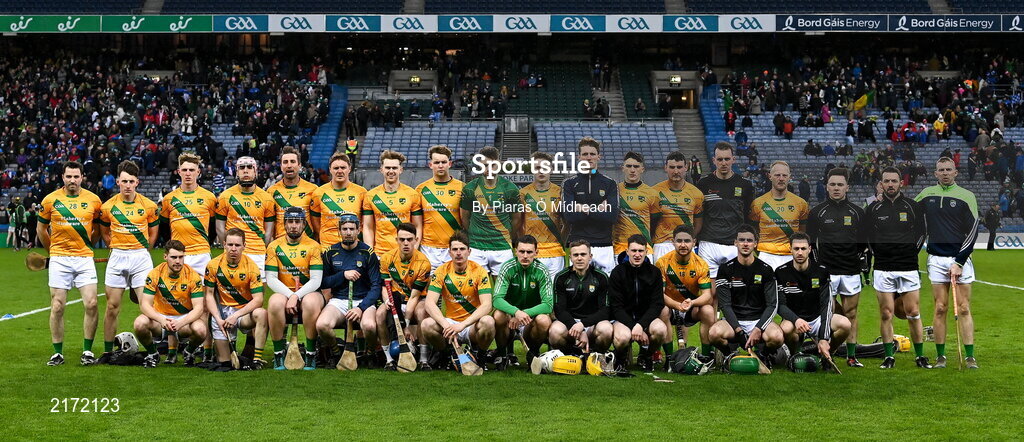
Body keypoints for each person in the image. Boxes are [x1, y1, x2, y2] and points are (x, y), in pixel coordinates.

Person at [915, 157, 980, 369]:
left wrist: (959, 262)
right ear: (935, 173)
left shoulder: (966, 196)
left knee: (964, 308)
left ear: (955, 172)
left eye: (948, 169)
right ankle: (941, 356)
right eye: (941, 170)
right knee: (940, 308)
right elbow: (907, 210)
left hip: (960, 258)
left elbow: (973, 231)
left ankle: (970, 357)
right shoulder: (927, 194)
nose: (945, 173)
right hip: (936, 259)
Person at [38, 161, 103, 366]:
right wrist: (52, 252)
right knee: (57, 305)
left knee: (92, 303)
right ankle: (57, 353)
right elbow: (41, 229)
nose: (72, 180)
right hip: (60, 258)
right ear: (62, 177)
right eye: (68, 176)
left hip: (84, 258)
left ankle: (87, 351)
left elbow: (98, 230)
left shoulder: (94, 200)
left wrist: (87, 246)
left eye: (76, 176)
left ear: (82, 177)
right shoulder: (50, 200)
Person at [98, 161, 160, 364]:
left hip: (140, 258)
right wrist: (116, 248)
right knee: (112, 306)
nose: (127, 185)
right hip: (117, 257)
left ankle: (154, 349)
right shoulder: (107, 207)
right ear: (117, 182)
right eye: (124, 181)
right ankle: (108, 352)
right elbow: (105, 232)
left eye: (131, 181)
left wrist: (142, 250)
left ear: (137, 182)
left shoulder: (149, 206)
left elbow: (153, 234)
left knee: (147, 306)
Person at [866, 167, 928, 369]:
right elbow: (867, 236)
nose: (890, 184)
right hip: (883, 268)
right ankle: (888, 357)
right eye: (887, 181)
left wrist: (911, 252)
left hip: (908, 266)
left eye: (894, 181)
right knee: (886, 313)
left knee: (913, 312)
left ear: (901, 183)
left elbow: (921, 232)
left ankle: (920, 356)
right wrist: (877, 253)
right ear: (881, 184)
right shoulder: (873, 209)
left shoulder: (912, 206)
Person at [805, 167, 868, 366]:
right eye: (832, 184)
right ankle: (826, 351)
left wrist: (858, 261)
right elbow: (811, 244)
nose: (836, 188)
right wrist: (818, 268)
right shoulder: (817, 212)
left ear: (847, 187)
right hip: (827, 271)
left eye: (840, 184)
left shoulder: (857, 212)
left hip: (850, 271)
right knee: (828, 314)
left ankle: (851, 356)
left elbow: (863, 243)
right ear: (827, 187)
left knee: (851, 314)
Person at [161, 153, 219, 362]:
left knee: (204, 305)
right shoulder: (169, 199)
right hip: (179, 256)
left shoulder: (209, 198)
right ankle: (171, 352)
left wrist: (201, 244)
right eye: (184, 170)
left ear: (198, 172)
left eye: (191, 170)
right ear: (178, 172)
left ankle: (205, 350)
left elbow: (213, 228)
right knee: (173, 302)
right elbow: (164, 229)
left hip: (201, 255)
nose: (188, 173)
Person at [708, 224, 783, 362]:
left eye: (749, 240)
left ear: (755, 244)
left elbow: (772, 305)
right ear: (735, 243)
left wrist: (759, 328)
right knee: (714, 333)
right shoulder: (725, 269)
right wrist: (739, 331)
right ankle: (729, 354)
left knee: (777, 337)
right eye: (742, 240)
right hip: (734, 322)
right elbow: (725, 305)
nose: (745, 244)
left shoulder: (766, 270)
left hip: (758, 320)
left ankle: (762, 356)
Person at [316, 213, 383, 368]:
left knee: (369, 326)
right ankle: (336, 352)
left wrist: (360, 308)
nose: (348, 232)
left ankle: (369, 353)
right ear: (339, 231)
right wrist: (342, 275)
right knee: (322, 325)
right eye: (345, 229)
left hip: (363, 300)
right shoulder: (330, 253)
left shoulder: (368, 253)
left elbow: (376, 286)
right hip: (339, 301)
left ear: (358, 230)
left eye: (352, 229)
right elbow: (322, 282)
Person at [421, 232, 495, 368]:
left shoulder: (479, 271)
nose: (458, 253)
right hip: (450, 323)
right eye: (455, 249)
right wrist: (446, 325)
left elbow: (487, 305)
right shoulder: (441, 271)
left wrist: (463, 325)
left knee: (488, 322)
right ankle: (447, 354)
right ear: (449, 252)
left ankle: (480, 355)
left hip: (471, 325)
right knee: (426, 325)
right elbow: (429, 303)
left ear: (469, 251)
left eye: (462, 249)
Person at [264, 207, 323, 370]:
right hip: (285, 292)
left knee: (310, 302)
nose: (294, 225)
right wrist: (291, 295)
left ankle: (310, 353)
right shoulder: (274, 246)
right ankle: (278, 353)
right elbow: (271, 278)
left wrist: (297, 296)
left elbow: (316, 280)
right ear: (284, 224)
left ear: (304, 224)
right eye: (290, 221)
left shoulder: (314, 246)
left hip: (309, 292)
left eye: (298, 222)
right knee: (274, 303)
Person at [775, 233, 851, 359]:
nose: (800, 252)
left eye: (803, 248)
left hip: (817, 319)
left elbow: (826, 305)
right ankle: (795, 355)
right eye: (796, 249)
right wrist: (796, 320)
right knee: (786, 328)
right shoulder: (781, 272)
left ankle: (827, 355)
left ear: (809, 249)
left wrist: (823, 338)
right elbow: (780, 305)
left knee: (845, 324)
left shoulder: (821, 270)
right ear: (790, 249)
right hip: (795, 320)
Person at [133, 240, 208, 368]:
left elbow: (199, 308)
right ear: (165, 257)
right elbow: (144, 304)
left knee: (201, 330)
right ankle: (153, 354)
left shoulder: (193, 276)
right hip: (160, 320)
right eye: (173, 257)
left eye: (181, 257)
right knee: (139, 324)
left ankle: (188, 352)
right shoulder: (155, 274)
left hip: (183, 321)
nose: (178, 261)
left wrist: (181, 322)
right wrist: (161, 319)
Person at [203, 228, 269, 371]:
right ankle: (217, 350)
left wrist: (236, 316)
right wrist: (218, 318)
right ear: (224, 244)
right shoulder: (213, 265)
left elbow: (258, 299)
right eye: (230, 244)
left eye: (237, 245)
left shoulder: (252, 267)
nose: (233, 249)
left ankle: (257, 360)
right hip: (222, 313)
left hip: (243, 313)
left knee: (262, 313)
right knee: (225, 363)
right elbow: (209, 295)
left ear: (244, 246)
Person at [655, 224, 716, 365]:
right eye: (679, 241)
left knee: (708, 310)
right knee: (662, 310)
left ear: (694, 242)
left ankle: (706, 357)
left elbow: (707, 295)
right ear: (673, 242)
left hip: (691, 307)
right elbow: (659, 294)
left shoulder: (701, 264)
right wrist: (677, 305)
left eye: (687, 241)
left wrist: (692, 303)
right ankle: (670, 357)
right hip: (670, 306)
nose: (683, 245)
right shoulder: (662, 263)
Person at [491, 235, 554, 370]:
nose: (525, 256)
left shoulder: (542, 271)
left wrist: (524, 314)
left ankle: (533, 353)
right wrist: (515, 312)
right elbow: (496, 299)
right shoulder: (508, 267)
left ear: (536, 252)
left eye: (529, 252)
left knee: (544, 320)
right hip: (510, 320)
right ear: (516, 252)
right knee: (498, 315)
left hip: (531, 321)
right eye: (522, 251)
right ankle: (502, 354)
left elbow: (548, 304)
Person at [460, 146, 522, 276]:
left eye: (493, 165)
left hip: (502, 247)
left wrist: (507, 235)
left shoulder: (510, 188)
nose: (488, 169)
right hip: (476, 247)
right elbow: (464, 217)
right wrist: (475, 234)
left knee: (503, 287)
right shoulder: (470, 188)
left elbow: (516, 219)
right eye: (485, 165)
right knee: (476, 287)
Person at [378, 222, 432, 370]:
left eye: (409, 239)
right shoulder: (386, 258)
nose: (406, 243)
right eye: (402, 239)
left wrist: (406, 325)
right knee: (379, 314)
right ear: (397, 240)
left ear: (416, 240)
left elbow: (414, 297)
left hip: (416, 300)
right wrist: (387, 301)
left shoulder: (424, 263)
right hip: (394, 298)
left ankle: (423, 359)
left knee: (421, 312)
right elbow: (384, 287)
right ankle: (389, 359)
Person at [697, 142, 755, 282]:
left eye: (727, 159)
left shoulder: (745, 185)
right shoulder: (703, 184)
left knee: (737, 288)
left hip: (734, 244)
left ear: (733, 159)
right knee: (710, 290)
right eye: (720, 159)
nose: (724, 163)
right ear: (714, 160)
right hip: (709, 243)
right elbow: (699, 214)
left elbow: (748, 216)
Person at [610, 234, 668, 371]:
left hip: (646, 318)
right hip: (623, 319)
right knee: (622, 337)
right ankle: (621, 358)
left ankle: (646, 356)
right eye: (634, 251)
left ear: (646, 252)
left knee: (660, 330)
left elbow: (657, 303)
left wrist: (641, 325)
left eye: (641, 251)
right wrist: (634, 326)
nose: (637, 254)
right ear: (627, 251)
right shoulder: (617, 272)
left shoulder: (654, 272)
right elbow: (615, 306)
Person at [562, 137, 618, 274]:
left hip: (603, 245)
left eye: (592, 154)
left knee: (605, 285)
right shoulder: (569, 183)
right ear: (579, 157)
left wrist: (582, 208)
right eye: (585, 154)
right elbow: (569, 216)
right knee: (578, 285)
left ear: (599, 156)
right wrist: (598, 209)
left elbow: (612, 216)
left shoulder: (610, 183)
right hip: (578, 246)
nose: (589, 157)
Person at [549, 240, 613, 356]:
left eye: (583, 254)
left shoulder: (601, 277)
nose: (579, 258)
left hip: (592, 324)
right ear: (570, 257)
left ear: (590, 257)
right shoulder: (561, 277)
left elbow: (605, 310)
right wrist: (576, 327)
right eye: (576, 255)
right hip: (569, 324)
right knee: (555, 332)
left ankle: (596, 356)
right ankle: (570, 354)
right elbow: (559, 309)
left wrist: (582, 325)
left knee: (606, 329)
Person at [216, 156, 275, 278]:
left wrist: (261, 247)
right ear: (237, 172)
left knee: (259, 290)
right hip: (232, 252)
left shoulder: (267, 198)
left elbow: (269, 231)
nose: (246, 171)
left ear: (255, 171)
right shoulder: (225, 196)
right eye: (242, 168)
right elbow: (220, 228)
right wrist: (228, 247)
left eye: (250, 167)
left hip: (258, 252)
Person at [748, 161, 808, 270]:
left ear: (789, 177)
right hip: (765, 255)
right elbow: (753, 231)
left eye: (784, 175)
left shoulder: (801, 203)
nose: (781, 178)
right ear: (770, 176)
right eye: (777, 175)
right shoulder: (758, 203)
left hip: (791, 255)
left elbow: (803, 232)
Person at [362, 150, 423, 258]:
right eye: (387, 168)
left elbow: (417, 226)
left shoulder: (412, 194)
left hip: (404, 253)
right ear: (381, 169)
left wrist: (413, 249)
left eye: (394, 168)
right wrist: (370, 252)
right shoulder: (370, 195)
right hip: (380, 253)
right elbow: (368, 227)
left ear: (401, 170)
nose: (391, 171)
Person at [416, 145, 464, 271]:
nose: (441, 165)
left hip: (454, 247)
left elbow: (467, 221)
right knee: (429, 283)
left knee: (455, 282)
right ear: (430, 165)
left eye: (444, 162)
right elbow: (417, 223)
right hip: (428, 248)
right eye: (437, 162)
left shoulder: (462, 188)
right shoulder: (421, 189)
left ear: (450, 164)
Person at [519, 152, 566, 273]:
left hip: (555, 253)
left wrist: (560, 242)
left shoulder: (560, 193)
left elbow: (567, 224)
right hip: (531, 252)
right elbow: (518, 224)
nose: (541, 171)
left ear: (551, 169)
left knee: (554, 286)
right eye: (537, 167)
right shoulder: (523, 194)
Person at [652, 152, 703, 262]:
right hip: (662, 245)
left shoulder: (696, 194)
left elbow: (698, 223)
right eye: (672, 167)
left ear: (686, 167)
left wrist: (688, 238)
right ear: (665, 168)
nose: (676, 171)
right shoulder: (654, 192)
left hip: (685, 244)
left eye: (679, 167)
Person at [310, 153, 367, 248]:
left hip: (354, 248)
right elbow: (315, 222)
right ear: (330, 169)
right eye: (336, 168)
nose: (339, 171)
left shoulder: (361, 192)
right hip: (328, 248)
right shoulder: (318, 193)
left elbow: (366, 223)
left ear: (349, 169)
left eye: (343, 168)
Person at [614, 152, 660, 257]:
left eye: (636, 166)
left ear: (642, 169)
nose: (632, 170)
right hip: (620, 247)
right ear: (623, 168)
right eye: (629, 166)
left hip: (643, 247)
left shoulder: (652, 194)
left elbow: (655, 221)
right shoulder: (615, 190)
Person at [267, 146, 318, 241]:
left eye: (293, 161)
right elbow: (269, 224)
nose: (289, 165)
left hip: (306, 244)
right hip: (281, 245)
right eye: (285, 162)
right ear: (281, 166)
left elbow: (317, 223)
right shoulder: (271, 191)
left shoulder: (313, 190)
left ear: (299, 165)